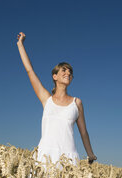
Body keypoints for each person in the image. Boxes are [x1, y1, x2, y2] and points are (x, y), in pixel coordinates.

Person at [17, 32, 97, 169]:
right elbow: (30, 70)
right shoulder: (46, 99)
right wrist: (20, 45)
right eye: (64, 71)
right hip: (45, 156)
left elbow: (83, 132)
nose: (68, 73)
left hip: (68, 159)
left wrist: (90, 155)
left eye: (70, 72)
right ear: (55, 76)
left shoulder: (76, 103)